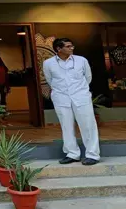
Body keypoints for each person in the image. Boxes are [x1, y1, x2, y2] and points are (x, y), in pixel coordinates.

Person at [42, 38, 100, 166]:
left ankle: (92, 154)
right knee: (66, 126)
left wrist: (79, 90)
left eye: (72, 46)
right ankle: (72, 154)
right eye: (68, 46)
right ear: (58, 49)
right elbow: (50, 80)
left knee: (88, 125)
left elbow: (88, 78)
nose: (71, 48)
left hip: (81, 96)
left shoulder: (81, 60)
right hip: (61, 97)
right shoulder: (48, 63)